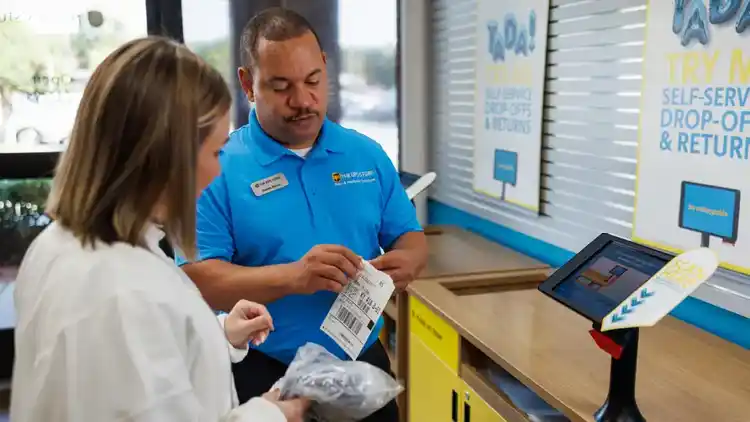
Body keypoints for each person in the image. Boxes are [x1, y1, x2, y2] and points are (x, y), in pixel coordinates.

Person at [10, 37, 308, 422]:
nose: (218, 172)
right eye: (216, 152)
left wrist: (215, 336)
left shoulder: (59, 246)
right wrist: (272, 414)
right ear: (169, 158)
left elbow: (138, 375)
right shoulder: (125, 292)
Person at [178, 7, 428, 422]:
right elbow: (196, 280)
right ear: (248, 84)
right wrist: (295, 277)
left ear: (325, 68)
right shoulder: (217, 165)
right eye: (281, 87)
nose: (303, 101)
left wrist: (410, 261)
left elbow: (410, 237)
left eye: (313, 81)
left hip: (359, 361)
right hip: (261, 373)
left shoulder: (366, 154)